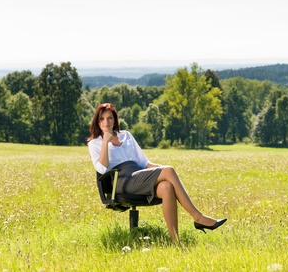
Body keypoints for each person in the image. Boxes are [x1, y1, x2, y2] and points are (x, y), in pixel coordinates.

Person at [87, 103, 226, 241]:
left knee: (167, 186)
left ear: (114, 120)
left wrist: (161, 169)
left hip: (138, 175)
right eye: (102, 119)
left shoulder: (126, 136)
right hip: (121, 180)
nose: (106, 122)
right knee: (169, 170)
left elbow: (144, 162)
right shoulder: (95, 143)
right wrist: (105, 142)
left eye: (109, 118)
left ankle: (175, 241)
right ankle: (198, 217)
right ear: (97, 121)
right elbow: (102, 169)